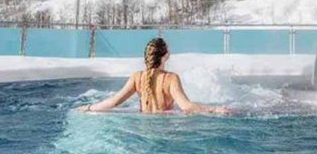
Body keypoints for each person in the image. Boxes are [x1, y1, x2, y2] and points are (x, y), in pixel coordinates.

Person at [76, 37, 229, 114]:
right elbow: (186, 107)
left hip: (142, 128)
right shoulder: (171, 78)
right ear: (165, 55)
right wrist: (215, 109)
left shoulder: (137, 77)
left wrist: (88, 107)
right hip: (164, 129)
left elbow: (114, 102)